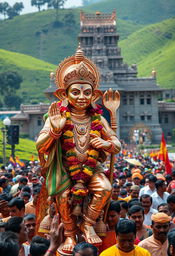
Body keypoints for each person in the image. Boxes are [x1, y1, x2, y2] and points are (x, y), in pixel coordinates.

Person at [36, 46, 121, 253]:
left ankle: (89, 223)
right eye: (75, 92)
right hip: (65, 169)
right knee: (63, 195)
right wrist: (55, 131)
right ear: (64, 94)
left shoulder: (98, 119)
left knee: (106, 189)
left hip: (93, 169)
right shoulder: (58, 117)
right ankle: (69, 234)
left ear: (94, 95)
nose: (82, 97)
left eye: (87, 92)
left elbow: (117, 145)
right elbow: (40, 145)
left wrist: (107, 144)